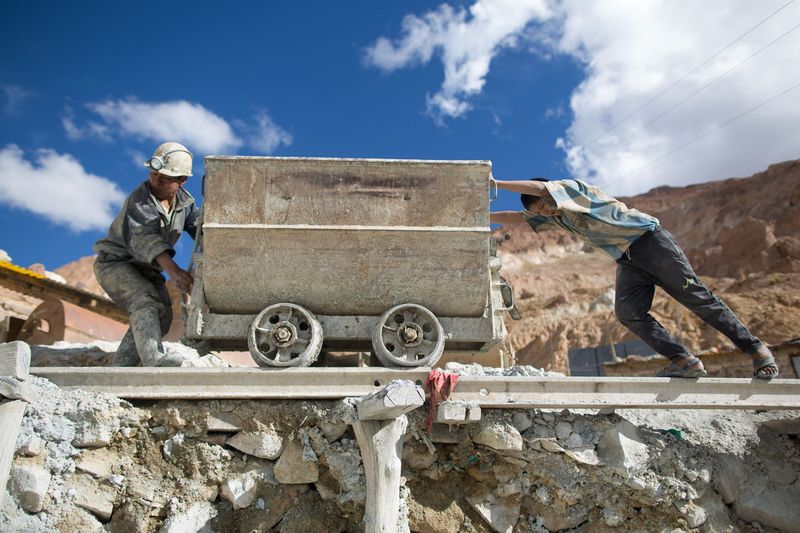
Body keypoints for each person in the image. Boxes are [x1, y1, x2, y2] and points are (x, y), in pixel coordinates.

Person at [490, 176, 779, 379]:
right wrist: (484, 214)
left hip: (651, 242)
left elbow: (541, 188)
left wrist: (497, 184)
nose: (546, 212)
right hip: (627, 260)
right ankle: (684, 361)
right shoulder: (558, 218)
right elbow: (519, 218)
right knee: (628, 313)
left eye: (543, 205)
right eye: (541, 212)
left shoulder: (572, 188)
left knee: (697, 299)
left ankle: (757, 351)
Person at [93, 142, 199, 366]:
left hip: (148, 270)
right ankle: (154, 360)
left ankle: (122, 367)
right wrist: (174, 272)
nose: (156, 180)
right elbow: (146, 239)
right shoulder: (139, 200)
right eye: (153, 174)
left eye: (165, 177)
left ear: (182, 181)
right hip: (116, 264)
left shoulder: (186, 204)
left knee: (163, 317)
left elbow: (199, 231)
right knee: (145, 301)